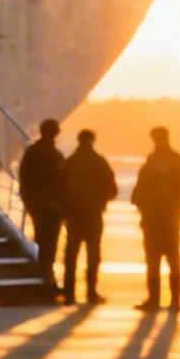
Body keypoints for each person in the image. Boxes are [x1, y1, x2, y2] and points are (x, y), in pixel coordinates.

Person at [131, 123, 180, 308]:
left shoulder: (172, 161)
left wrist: (176, 202)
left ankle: (173, 300)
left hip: (166, 216)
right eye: (155, 138)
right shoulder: (154, 161)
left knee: (170, 257)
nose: (157, 142)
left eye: (159, 138)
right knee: (155, 258)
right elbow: (141, 187)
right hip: (155, 216)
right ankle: (157, 299)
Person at [61, 128, 117, 303]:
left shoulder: (70, 162)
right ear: (93, 140)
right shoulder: (99, 162)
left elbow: (60, 187)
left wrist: (66, 208)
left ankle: (69, 293)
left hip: (73, 214)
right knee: (93, 254)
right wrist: (101, 202)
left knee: (71, 254)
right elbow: (112, 188)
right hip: (93, 213)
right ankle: (91, 293)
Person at [16, 116, 67, 295]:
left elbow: (24, 177)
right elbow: (62, 182)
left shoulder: (32, 152)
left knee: (41, 240)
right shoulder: (55, 155)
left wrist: (28, 199)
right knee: (49, 243)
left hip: (37, 204)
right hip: (51, 206)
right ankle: (46, 276)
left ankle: (43, 274)